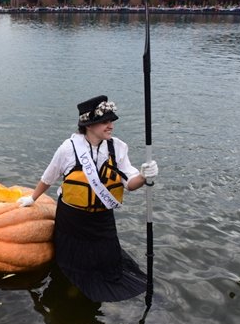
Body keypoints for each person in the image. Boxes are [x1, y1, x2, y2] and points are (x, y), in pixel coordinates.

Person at [17, 95, 159, 302]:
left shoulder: (117, 147)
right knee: (72, 262)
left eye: (111, 121)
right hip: (71, 219)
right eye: (105, 121)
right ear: (89, 125)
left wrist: (144, 177)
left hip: (102, 219)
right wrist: (32, 198)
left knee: (108, 263)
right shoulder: (68, 148)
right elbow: (49, 177)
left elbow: (129, 184)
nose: (110, 125)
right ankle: (72, 290)